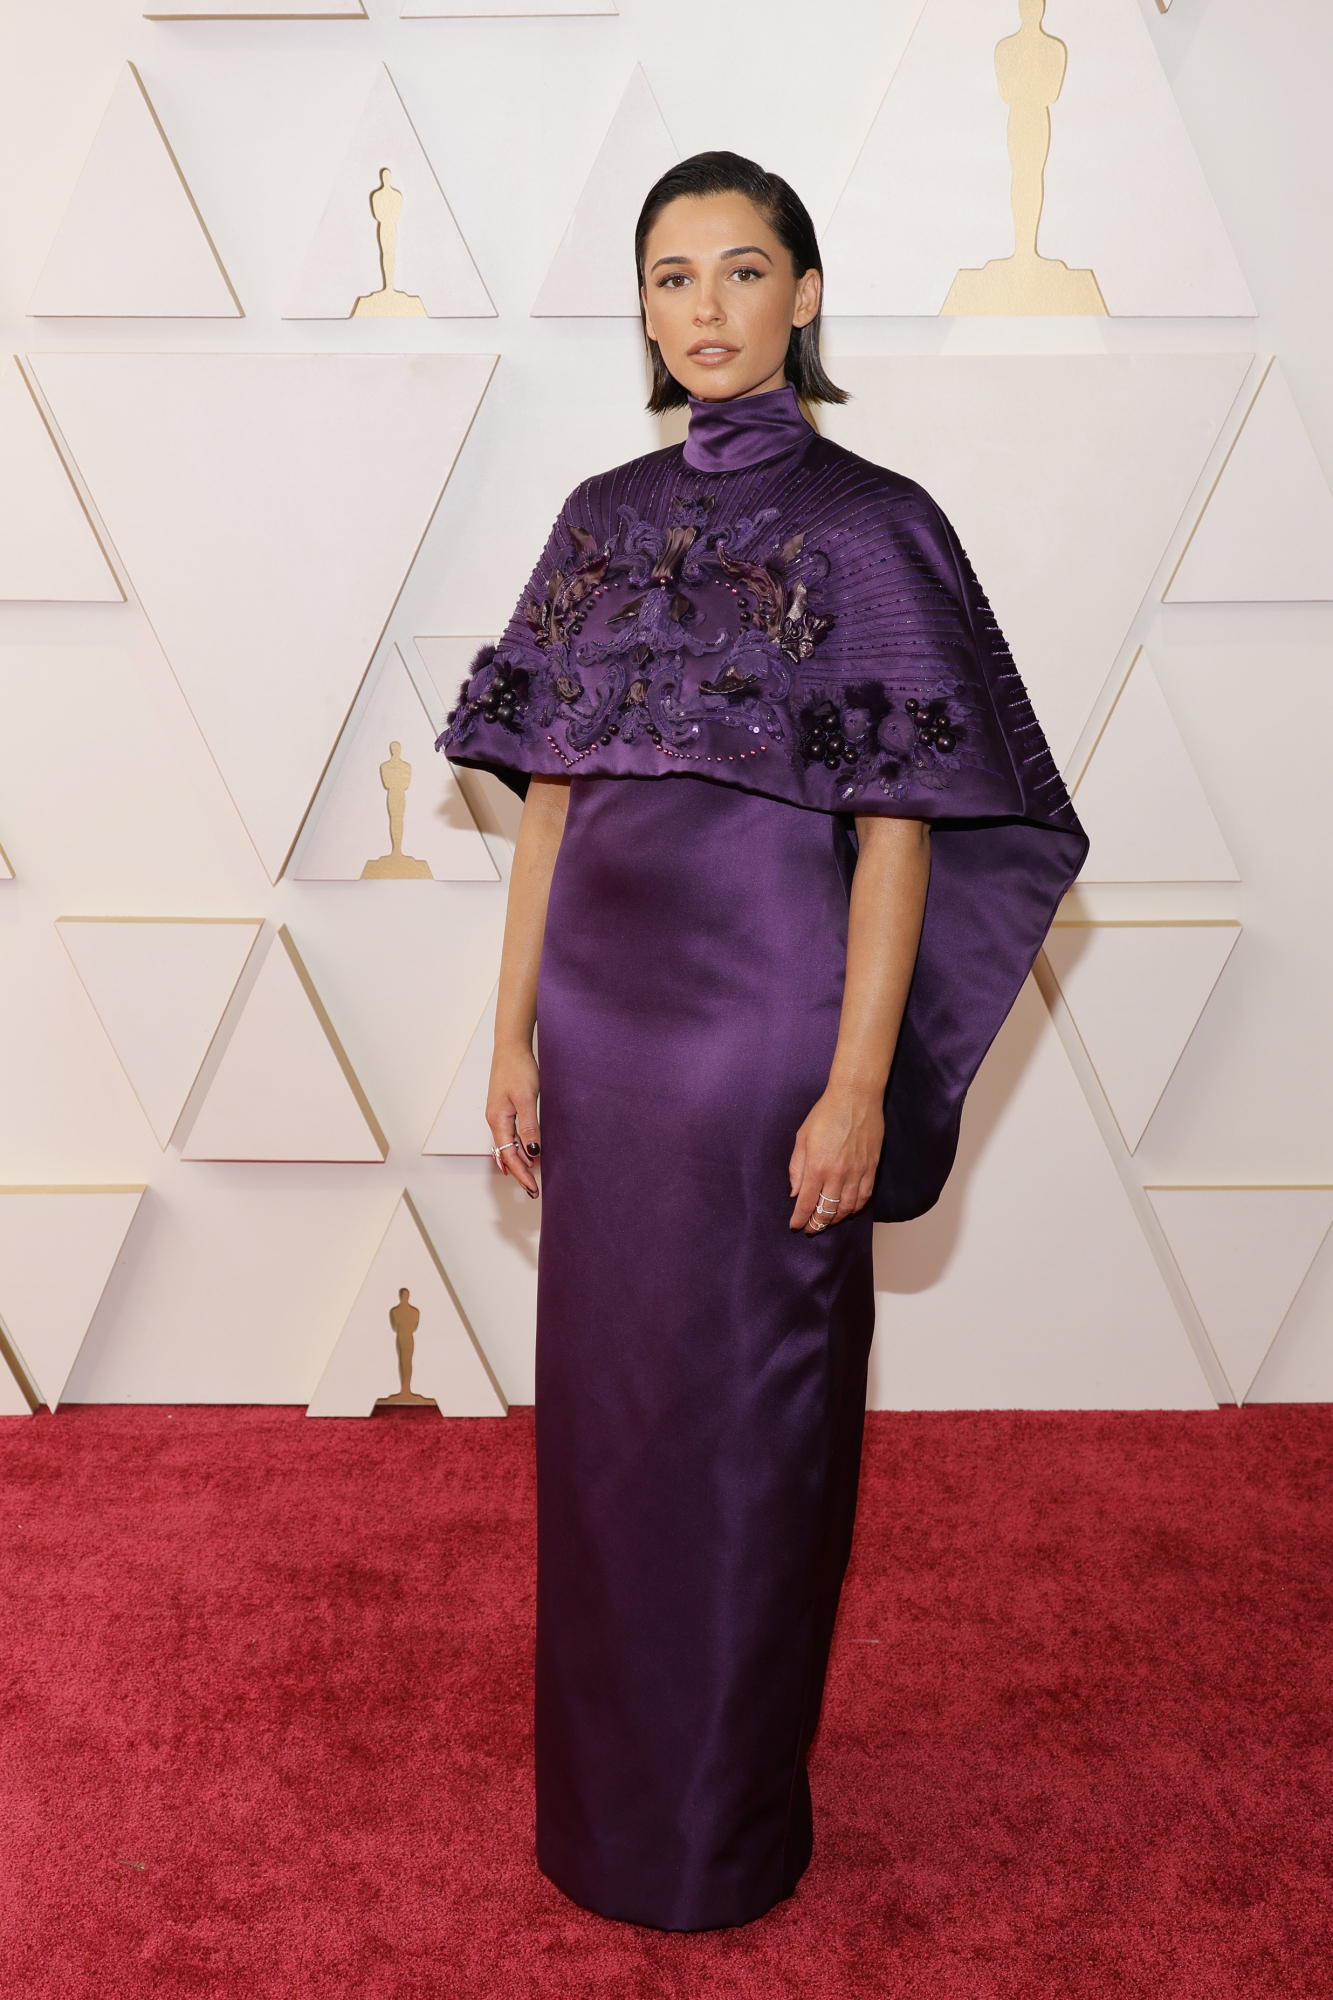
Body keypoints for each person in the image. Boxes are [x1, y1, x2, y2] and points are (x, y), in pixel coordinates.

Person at [437, 151, 1087, 1933]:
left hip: (762, 1035)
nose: (703, 308)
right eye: (669, 276)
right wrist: (510, 1032)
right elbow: (551, 808)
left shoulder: (874, 526)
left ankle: (715, 1835)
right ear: (639, 308)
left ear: (804, 293)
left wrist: (858, 1078)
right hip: (605, 1033)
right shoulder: (592, 515)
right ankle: (605, 1811)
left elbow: (904, 828)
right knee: (608, 1431)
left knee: (746, 1431)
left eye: (740, 270)